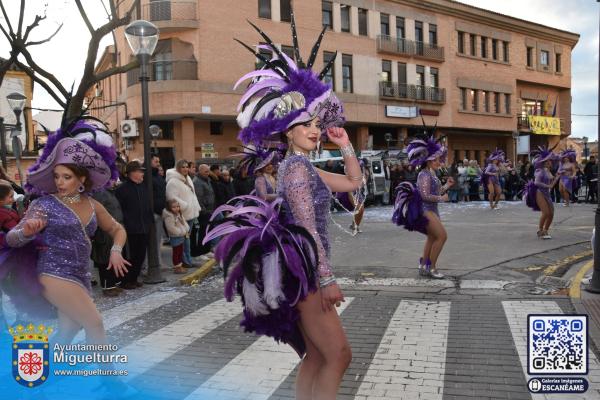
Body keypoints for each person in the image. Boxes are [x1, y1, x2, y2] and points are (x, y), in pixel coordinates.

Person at [203, 15, 361, 399]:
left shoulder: (302, 166)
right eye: (304, 123)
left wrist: (344, 145)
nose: (313, 129)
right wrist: (326, 279)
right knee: (338, 356)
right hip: (306, 274)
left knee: (315, 357)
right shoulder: (294, 168)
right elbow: (306, 225)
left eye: (316, 124)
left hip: (302, 272)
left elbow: (354, 183)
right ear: (287, 130)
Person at [1, 117, 129, 345]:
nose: (60, 182)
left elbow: (117, 229)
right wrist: (26, 232)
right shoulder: (44, 205)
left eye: (67, 177)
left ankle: (40, 369)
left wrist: (116, 250)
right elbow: (12, 238)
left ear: (82, 179)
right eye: (57, 176)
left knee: (69, 330)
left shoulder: (93, 205)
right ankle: (111, 380)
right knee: (94, 323)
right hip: (53, 273)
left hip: (81, 274)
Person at [393, 135, 452, 279]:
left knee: (432, 237)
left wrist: (447, 186)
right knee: (442, 236)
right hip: (426, 210)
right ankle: (432, 268)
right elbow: (425, 195)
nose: (440, 162)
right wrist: (441, 198)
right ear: (429, 160)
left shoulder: (432, 174)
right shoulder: (424, 174)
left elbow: (435, 192)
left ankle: (424, 265)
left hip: (433, 209)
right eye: (437, 159)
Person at [115, 161, 154, 289]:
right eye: (140, 171)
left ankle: (134, 278)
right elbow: (119, 209)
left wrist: (149, 222)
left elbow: (147, 206)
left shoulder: (143, 187)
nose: (142, 173)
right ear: (132, 173)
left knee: (140, 255)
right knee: (130, 256)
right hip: (130, 229)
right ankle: (126, 280)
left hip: (143, 228)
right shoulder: (122, 189)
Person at [166, 159, 201, 268]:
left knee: (187, 238)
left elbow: (193, 195)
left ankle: (188, 259)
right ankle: (184, 261)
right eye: (183, 167)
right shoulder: (173, 181)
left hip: (190, 214)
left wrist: (195, 207)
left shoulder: (188, 179)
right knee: (181, 240)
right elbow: (171, 197)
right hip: (182, 215)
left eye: (186, 167)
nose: (185, 169)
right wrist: (185, 206)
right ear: (178, 168)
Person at [91, 184, 125, 296]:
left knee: (113, 257)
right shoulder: (100, 193)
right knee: (105, 259)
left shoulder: (110, 192)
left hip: (113, 229)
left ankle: (113, 284)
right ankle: (107, 286)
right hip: (103, 233)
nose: (116, 181)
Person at [523, 147, 559, 239]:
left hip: (547, 193)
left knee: (551, 213)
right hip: (539, 192)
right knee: (546, 212)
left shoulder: (548, 171)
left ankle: (545, 231)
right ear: (543, 162)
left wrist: (557, 177)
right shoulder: (540, 171)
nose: (549, 162)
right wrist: (548, 186)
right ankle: (540, 230)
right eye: (547, 161)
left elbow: (552, 182)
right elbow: (537, 183)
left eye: (550, 161)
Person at [162, 199, 189, 274]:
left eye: (177, 206)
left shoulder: (178, 214)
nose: (176, 208)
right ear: (169, 208)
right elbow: (170, 228)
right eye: (174, 207)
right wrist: (180, 231)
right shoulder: (169, 216)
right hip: (175, 236)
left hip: (181, 236)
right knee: (176, 252)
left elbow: (183, 222)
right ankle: (177, 267)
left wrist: (185, 228)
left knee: (180, 251)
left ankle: (179, 266)